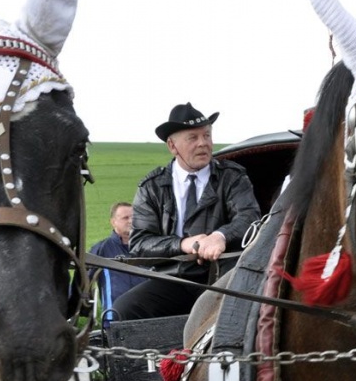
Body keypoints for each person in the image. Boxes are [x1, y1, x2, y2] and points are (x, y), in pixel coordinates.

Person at [113, 102, 260, 321]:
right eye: (193, 138)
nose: (203, 143)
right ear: (172, 146)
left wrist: (220, 237)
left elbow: (249, 217)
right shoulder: (151, 187)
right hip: (174, 279)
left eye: (207, 136)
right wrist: (183, 244)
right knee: (124, 309)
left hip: (223, 277)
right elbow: (140, 243)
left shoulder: (232, 177)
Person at [89, 202, 147, 307]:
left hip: (148, 313)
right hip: (114, 315)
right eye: (125, 218)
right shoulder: (102, 248)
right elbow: (84, 279)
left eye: (134, 218)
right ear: (113, 222)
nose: (131, 221)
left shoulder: (148, 246)